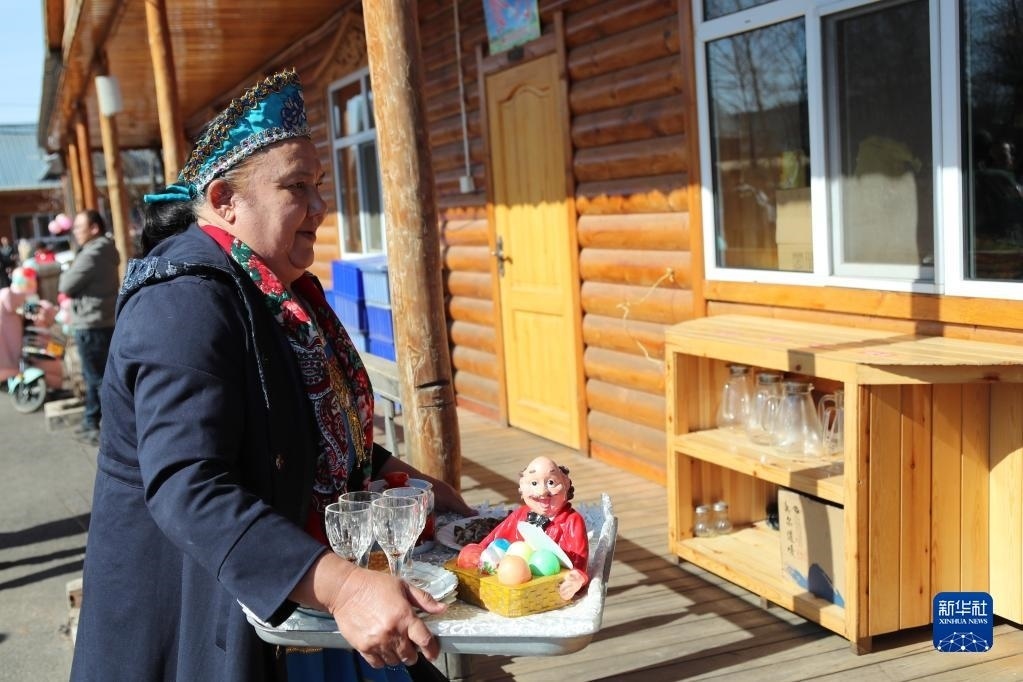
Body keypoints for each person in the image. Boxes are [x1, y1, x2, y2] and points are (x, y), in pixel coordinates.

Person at [70, 68, 473, 682]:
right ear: (225, 200)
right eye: (296, 186)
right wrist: (345, 588)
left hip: (297, 601)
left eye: (318, 185)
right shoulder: (182, 302)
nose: (320, 207)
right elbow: (188, 486)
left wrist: (399, 477)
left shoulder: (276, 288)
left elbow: (295, 429)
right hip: (205, 620)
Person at [478, 455, 589, 600]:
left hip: (549, 591)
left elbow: (580, 564)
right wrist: (478, 551)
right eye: (534, 483)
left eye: (551, 482)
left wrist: (577, 579)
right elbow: (492, 540)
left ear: (566, 484)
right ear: (522, 487)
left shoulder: (572, 521)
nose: (542, 491)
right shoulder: (521, 514)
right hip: (511, 590)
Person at [58, 210, 120, 445]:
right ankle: (90, 421)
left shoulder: (92, 253)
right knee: (96, 376)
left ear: (94, 228)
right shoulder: (107, 250)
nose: (75, 232)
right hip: (103, 320)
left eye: (78, 227)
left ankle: (111, 429)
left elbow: (66, 285)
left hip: (90, 323)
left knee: (97, 378)